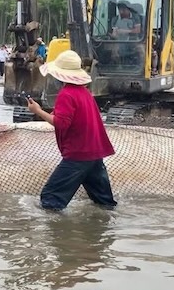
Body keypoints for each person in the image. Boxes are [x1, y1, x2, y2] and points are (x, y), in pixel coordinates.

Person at [26, 50, 117, 211]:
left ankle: (55, 227)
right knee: (104, 202)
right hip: (95, 153)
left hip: (78, 155)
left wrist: (38, 111)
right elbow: (70, 117)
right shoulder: (85, 93)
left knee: (50, 198)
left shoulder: (66, 94)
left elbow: (61, 124)